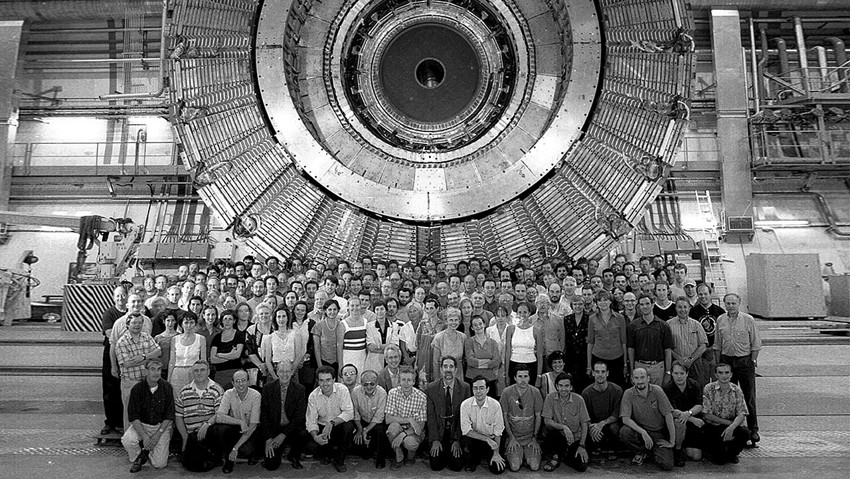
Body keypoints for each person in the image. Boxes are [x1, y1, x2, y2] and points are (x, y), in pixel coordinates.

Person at [713, 293, 762, 446]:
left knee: (748, 397)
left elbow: (756, 343)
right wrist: (719, 363)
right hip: (727, 361)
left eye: (733, 303)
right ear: (724, 304)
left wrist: (752, 361)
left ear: (739, 303)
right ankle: (734, 429)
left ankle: (753, 430)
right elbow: (717, 344)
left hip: (744, 361)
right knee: (729, 397)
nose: (731, 306)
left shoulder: (748, 320)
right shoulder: (720, 320)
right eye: (728, 303)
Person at [121, 360, 174, 473]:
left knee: (159, 464)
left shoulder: (167, 387)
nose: (156, 373)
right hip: (142, 425)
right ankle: (140, 456)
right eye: (153, 369)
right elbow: (133, 416)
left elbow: (169, 415)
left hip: (160, 427)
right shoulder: (137, 389)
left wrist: (158, 434)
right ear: (146, 371)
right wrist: (144, 436)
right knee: (127, 440)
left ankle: (147, 451)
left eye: (159, 369)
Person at [619, 367, 675, 470]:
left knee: (667, 464)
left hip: (658, 432)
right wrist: (643, 432)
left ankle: (649, 452)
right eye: (636, 378)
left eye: (642, 377)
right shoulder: (628, 393)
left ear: (648, 378)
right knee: (625, 432)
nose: (640, 381)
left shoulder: (657, 390)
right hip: (640, 432)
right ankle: (640, 451)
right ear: (632, 379)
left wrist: (672, 441)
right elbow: (625, 419)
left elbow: (668, 414)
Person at [207, 370, 262, 473]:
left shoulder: (256, 396)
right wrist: (240, 422)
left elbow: (253, 426)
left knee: (247, 449)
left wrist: (235, 448)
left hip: (251, 430)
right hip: (237, 426)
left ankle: (253, 453)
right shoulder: (228, 393)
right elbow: (219, 416)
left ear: (248, 382)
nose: (240, 384)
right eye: (237, 381)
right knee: (222, 429)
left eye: (243, 380)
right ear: (233, 383)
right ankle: (229, 460)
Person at [175, 360, 225, 472]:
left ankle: (214, 454)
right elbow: (178, 416)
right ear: (192, 373)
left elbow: (220, 414)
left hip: (210, 433)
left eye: (202, 370)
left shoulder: (217, 390)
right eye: (196, 370)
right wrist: (185, 437)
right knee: (191, 465)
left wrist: (206, 425)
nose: (199, 373)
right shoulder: (184, 391)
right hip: (191, 435)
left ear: (208, 372)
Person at [115, 315, 162, 430]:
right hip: (131, 382)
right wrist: (149, 360)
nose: (137, 325)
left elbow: (158, 352)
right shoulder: (122, 342)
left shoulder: (147, 337)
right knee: (130, 413)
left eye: (140, 323)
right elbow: (127, 363)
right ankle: (130, 439)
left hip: (147, 382)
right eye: (134, 323)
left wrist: (143, 356)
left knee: (147, 412)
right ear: (128, 325)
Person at [260, 360, 308, 470]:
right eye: (281, 371)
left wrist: (283, 434)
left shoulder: (300, 389)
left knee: (303, 433)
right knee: (271, 466)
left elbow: (299, 417)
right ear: (277, 372)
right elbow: (264, 415)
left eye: (287, 371)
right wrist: (268, 438)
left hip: (291, 429)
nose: (284, 374)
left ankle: (294, 456)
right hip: (274, 429)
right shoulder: (268, 388)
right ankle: (277, 452)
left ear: (292, 372)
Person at [425, 356, 471, 472]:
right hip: (439, 433)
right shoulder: (431, 388)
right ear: (441, 369)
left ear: (456, 369)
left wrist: (457, 440)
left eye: (451, 366)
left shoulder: (465, 388)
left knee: (456, 467)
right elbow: (431, 417)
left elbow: (465, 417)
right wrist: (435, 440)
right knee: (436, 466)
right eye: (445, 366)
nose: (448, 369)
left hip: (456, 433)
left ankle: (453, 450)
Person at [306, 365, 355, 472]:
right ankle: (326, 453)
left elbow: (349, 413)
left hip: (337, 426)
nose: (325, 384)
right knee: (311, 445)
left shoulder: (342, 389)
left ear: (334, 380)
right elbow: (311, 421)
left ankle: (339, 461)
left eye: (328, 380)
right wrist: (315, 437)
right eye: (322, 380)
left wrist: (331, 423)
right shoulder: (313, 396)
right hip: (322, 428)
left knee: (348, 426)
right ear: (318, 381)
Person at [540, 372, 589, 472]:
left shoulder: (579, 399)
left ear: (571, 387)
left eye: (566, 386)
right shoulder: (550, 397)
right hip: (558, 437)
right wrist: (563, 427)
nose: (563, 389)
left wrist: (582, 445)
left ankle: (565, 455)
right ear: (557, 386)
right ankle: (555, 456)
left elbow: (584, 423)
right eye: (561, 386)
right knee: (547, 429)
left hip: (574, 438)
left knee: (581, 466)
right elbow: (547, 420)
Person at [702, 362, 750, 464]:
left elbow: (742, 413)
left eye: (727, 372)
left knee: (745, 433)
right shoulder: (708, 389)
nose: (724, 376)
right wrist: (729, 424)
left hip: (731, 423)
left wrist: (732, 427)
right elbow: (707, 414)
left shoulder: (736, 390)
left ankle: (733, 453)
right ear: (716, 375)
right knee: (720, 461)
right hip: (714, 426)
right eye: (720, 373)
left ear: (731, 374)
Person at [459, 376, 507, 473]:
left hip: (492, 439)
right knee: (466, 447)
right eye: (475, 388)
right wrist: (486, 439)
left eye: (481, 388)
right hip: (474, 439)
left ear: (487, 389)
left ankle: (488, 456)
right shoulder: (465, 404)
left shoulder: (495, 405)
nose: (478, 391)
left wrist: (496, 453)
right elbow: (466, 430)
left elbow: (498, 431)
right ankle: (474, 459)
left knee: (497, 470)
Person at [501, 365, 543, 472]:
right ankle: (517, 454)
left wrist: (535, 437)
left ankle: (526, 455)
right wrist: (511, 437)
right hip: (514, 436)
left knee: (534, 466)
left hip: (530, 437)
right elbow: (504, 416)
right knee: (515, 467)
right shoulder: (506, 392)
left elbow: (538, 416)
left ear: (529, 377)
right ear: (515, 378)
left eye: (525, 376)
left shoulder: (535, 392)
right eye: (520, 376)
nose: (523, 380)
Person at [662, 360, 704, 466]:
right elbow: (672, 411)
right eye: (676, 373)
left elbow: (699, 405)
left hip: (691, 424)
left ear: (687, 373)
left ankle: (685, 448)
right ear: (672, 374)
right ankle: (678, 450)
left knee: (696, 456)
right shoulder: (667, 389)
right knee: (679, 422)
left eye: (682, 373)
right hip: (676, 424)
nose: (679, 376)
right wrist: (691, 418)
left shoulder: (694, 385)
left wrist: (688, 413)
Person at [386, 366, 427, 469]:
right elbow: (388, 419)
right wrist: (409, 419)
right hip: (398, 427)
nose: (406, 383)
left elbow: (420, 427)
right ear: (399, 381)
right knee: (392, 429)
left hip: (414, 431)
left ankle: (410, 457)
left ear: (413, 381)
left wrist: (403, 434)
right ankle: (398, 455)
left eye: (409, 380)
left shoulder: (422, 397)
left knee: (410, 443)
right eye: (403, 379)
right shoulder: (393, 393)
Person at [627, 294, 674, 385]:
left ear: (652, 305)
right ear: (639, 307)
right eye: (642, 304)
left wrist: (668, 372)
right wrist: (632, 370)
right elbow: (631, 349)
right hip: (639, 366)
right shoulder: (633, 326)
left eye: (647, 303)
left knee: (657, 392)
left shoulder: (663, 326)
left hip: (658, 367)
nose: (645, 306)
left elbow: (668, 350)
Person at [586, 290, 628, 388]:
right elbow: (590, 342)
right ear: (596, 303)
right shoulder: (592, 318)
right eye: (600, 300)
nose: (603, 303)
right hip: (598, 358)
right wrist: (589, 365)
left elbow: (624, 342)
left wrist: (625, 364)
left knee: (617, 387)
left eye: (605, 300)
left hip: (617, 359)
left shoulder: (620, 318)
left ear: (610, 301)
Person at [101, 285, 128, 435]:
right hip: (112, 354)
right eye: (117, 295)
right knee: (110, 390)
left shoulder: (132, 312)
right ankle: (110, 422)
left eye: (123, 295)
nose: (120, 298)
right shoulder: (109, 313)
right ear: (113, 298)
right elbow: (110, 334)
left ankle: (123, 422)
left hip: (129, 354)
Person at [581, 360, 623, 454]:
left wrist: (602, 423)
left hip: (610, 423)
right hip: (594, 425)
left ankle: (612, 448)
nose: (600, 375)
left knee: (614, 428)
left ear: (607, 373)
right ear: (593, 373)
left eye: (603, 371)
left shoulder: (617, 390)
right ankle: (596, 445)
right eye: (597, 371)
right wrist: (593, 427)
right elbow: (585, 416)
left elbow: (616, 414)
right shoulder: (586, 393)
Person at [667, 297, 710, 389]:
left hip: (695, 364)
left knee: (696, 388)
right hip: (676, 364)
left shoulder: (696, 324)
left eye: (685, 307)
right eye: (680, 307)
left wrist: (690, 360)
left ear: (689, 308)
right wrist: (679, 359)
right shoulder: (668, 325)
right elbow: (667, 347)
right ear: (675, 308)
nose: (683, 310)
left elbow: (703, 345)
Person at [352, 369, 389, 469]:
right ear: (361, 383)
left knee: (380, 431)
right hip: (362, 421)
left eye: (372, 384)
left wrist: (365, 431)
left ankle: (380, 459)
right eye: (365, 384)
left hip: (376, 422)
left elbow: (379, 416)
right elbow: (355, 413)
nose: (369, 387)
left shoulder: (382, 393)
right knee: (355, 435)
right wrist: (360, 429)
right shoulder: (355, 392)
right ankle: (367, 451)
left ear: (377, 383)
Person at [689, 283, 724, 384]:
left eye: (705, 294)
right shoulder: (693, 312)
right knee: (701, 381)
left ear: (710, 294)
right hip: (699, 352)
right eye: (700, 294)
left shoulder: (720, 311)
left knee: (716, 380)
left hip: (715, 351)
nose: (703, 296)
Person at [504, 302, 543, 386]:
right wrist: (506, 374)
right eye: (520, 312)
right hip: (514, 364)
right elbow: (507, 352)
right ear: (516, 314)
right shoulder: (511, 329)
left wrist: (539, 376)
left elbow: (540, 355)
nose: (522, 314)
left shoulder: (536, 330)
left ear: (529, 313)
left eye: (525, 312)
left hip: (531, 365)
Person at [464, 316, 502, 396]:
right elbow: (470, 361)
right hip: (473, 379)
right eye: (475, 325)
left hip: (490, 379)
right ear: (472, 328)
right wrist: (488, 362)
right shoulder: (469, 342)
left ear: (484, 325)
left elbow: (496, 361)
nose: (478, 326)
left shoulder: (493, 342)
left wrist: (478, 364)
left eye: (480, 324)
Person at [209, 310, 245, 389]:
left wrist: (220, 355)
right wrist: (231, 355)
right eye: (225, 319)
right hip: (220, 374)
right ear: (222, 321)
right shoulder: (217, 337)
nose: (227, 321)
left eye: (230, 319)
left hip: (236, 372)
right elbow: (212, 359)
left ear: (234, 321)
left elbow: (237, 355)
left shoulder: (239, 335)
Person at [563, 296, 590, 392]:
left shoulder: (590, 319)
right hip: (570, 356)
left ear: (584, 305)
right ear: (571, 306)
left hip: (585, 356)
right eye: (575, 304)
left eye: (580, 304)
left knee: (584, 384)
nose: (577, 306)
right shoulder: (567, 319)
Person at [431, 308, 467, 379]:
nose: (453, 323)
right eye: (451, 320)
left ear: (459, 321)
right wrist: (437, 379)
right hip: (444, 373)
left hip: (458, 373)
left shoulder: (463, 337)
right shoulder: (439, 337)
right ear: (446, 321)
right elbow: (435, 362)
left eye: (456, 320)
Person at [338, 296, 368, 376]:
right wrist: (340, 365)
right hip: (347, 359)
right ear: (348, 307)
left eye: (357, 305)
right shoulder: (343, 324)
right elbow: (339, 346)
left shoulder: (365, 322)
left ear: (360, 306)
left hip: (362, 359)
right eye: (352, 305)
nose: (355, 308)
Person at [313, 299, 341, 372]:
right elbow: (317, 348)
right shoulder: (318, 326)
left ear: (338, 310)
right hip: (323, 362)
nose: (332, 312)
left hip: (338, 362)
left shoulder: (341, 325)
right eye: (330, 309)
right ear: (325, 310)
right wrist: (320, 366)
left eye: (335, 309)